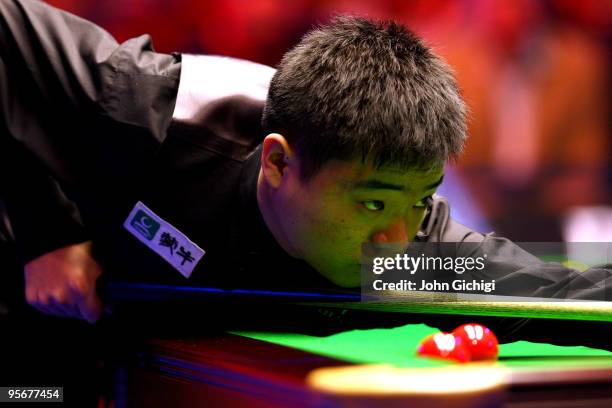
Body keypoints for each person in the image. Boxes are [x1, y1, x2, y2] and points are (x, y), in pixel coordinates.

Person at [1, 0, 611, 351]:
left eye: (420, 201)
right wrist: (47, 230)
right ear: (278, 163)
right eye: (372, 205)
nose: (396, 240)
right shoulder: (151, 108)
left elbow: (556, 291)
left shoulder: (410, 250)